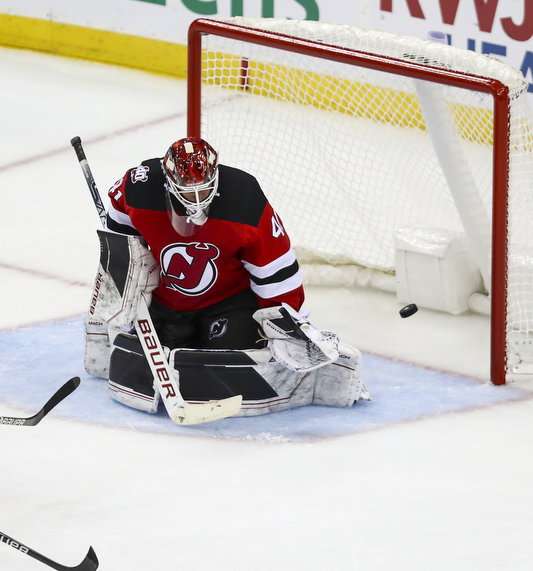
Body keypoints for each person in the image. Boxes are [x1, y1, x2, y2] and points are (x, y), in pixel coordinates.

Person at [84, 136, 368, 416]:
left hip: (228, 301)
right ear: (168, 182)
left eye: (203, 190)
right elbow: (120, 229)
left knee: (228, 354)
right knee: (159, 346)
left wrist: (291, 324)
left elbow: (275, 268)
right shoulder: (139, 188)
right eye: (187, 192)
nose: (196, 199)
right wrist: (130, 269)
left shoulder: (244, 198)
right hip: (167, 301)